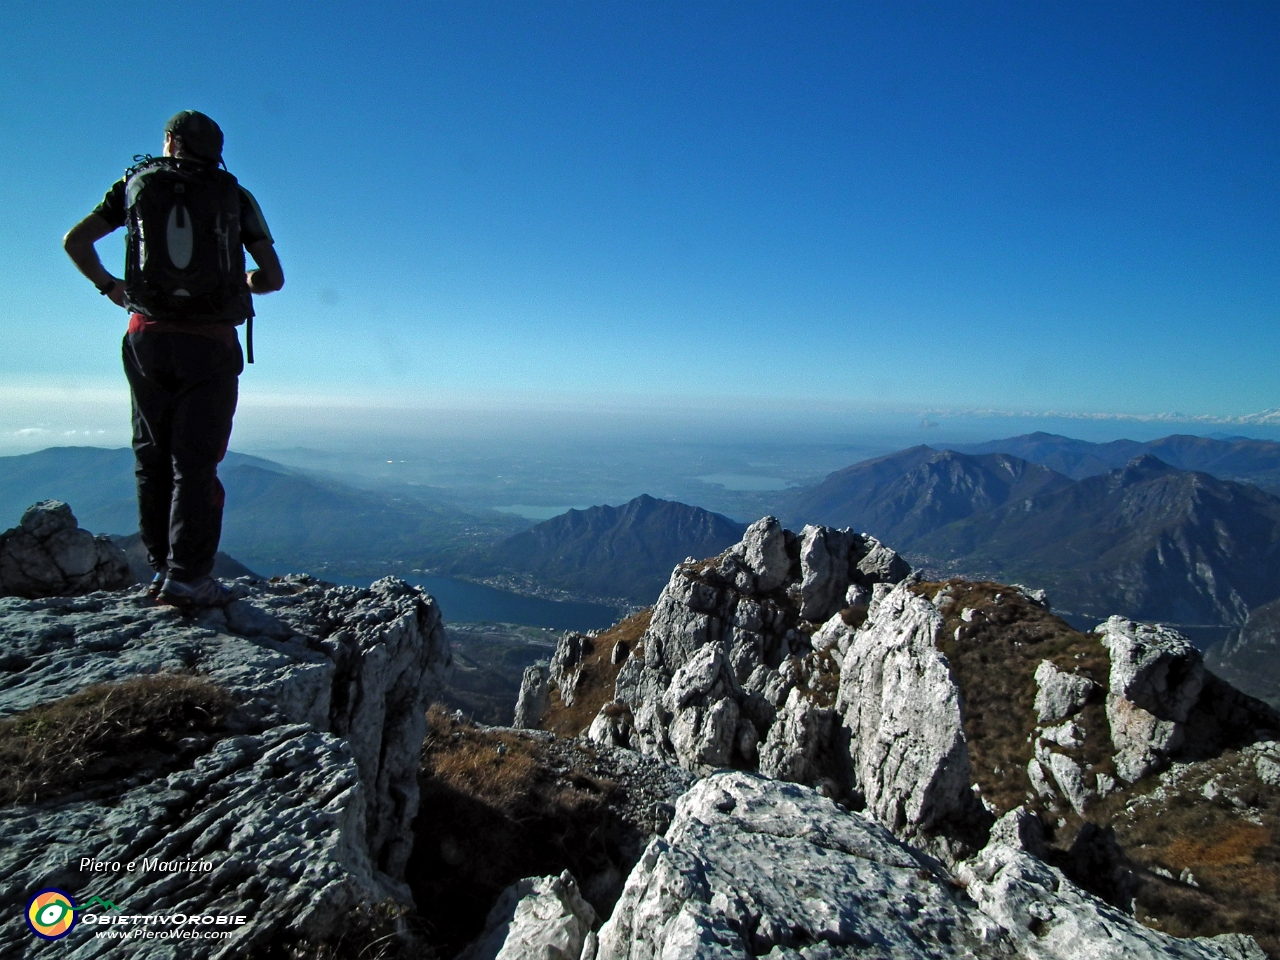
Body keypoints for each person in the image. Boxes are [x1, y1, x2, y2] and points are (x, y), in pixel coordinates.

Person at [63, 110, 283, 606]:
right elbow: (272, 278)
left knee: (151, 456)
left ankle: (162, 567)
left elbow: (75, 242)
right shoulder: (233, 194)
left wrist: (111, 289)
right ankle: (189, 575)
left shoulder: (136, 185)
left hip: (147, 337)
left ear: (170, 141)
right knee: (196, 463)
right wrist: (238, 282)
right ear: (214, 150)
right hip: (210, 343)